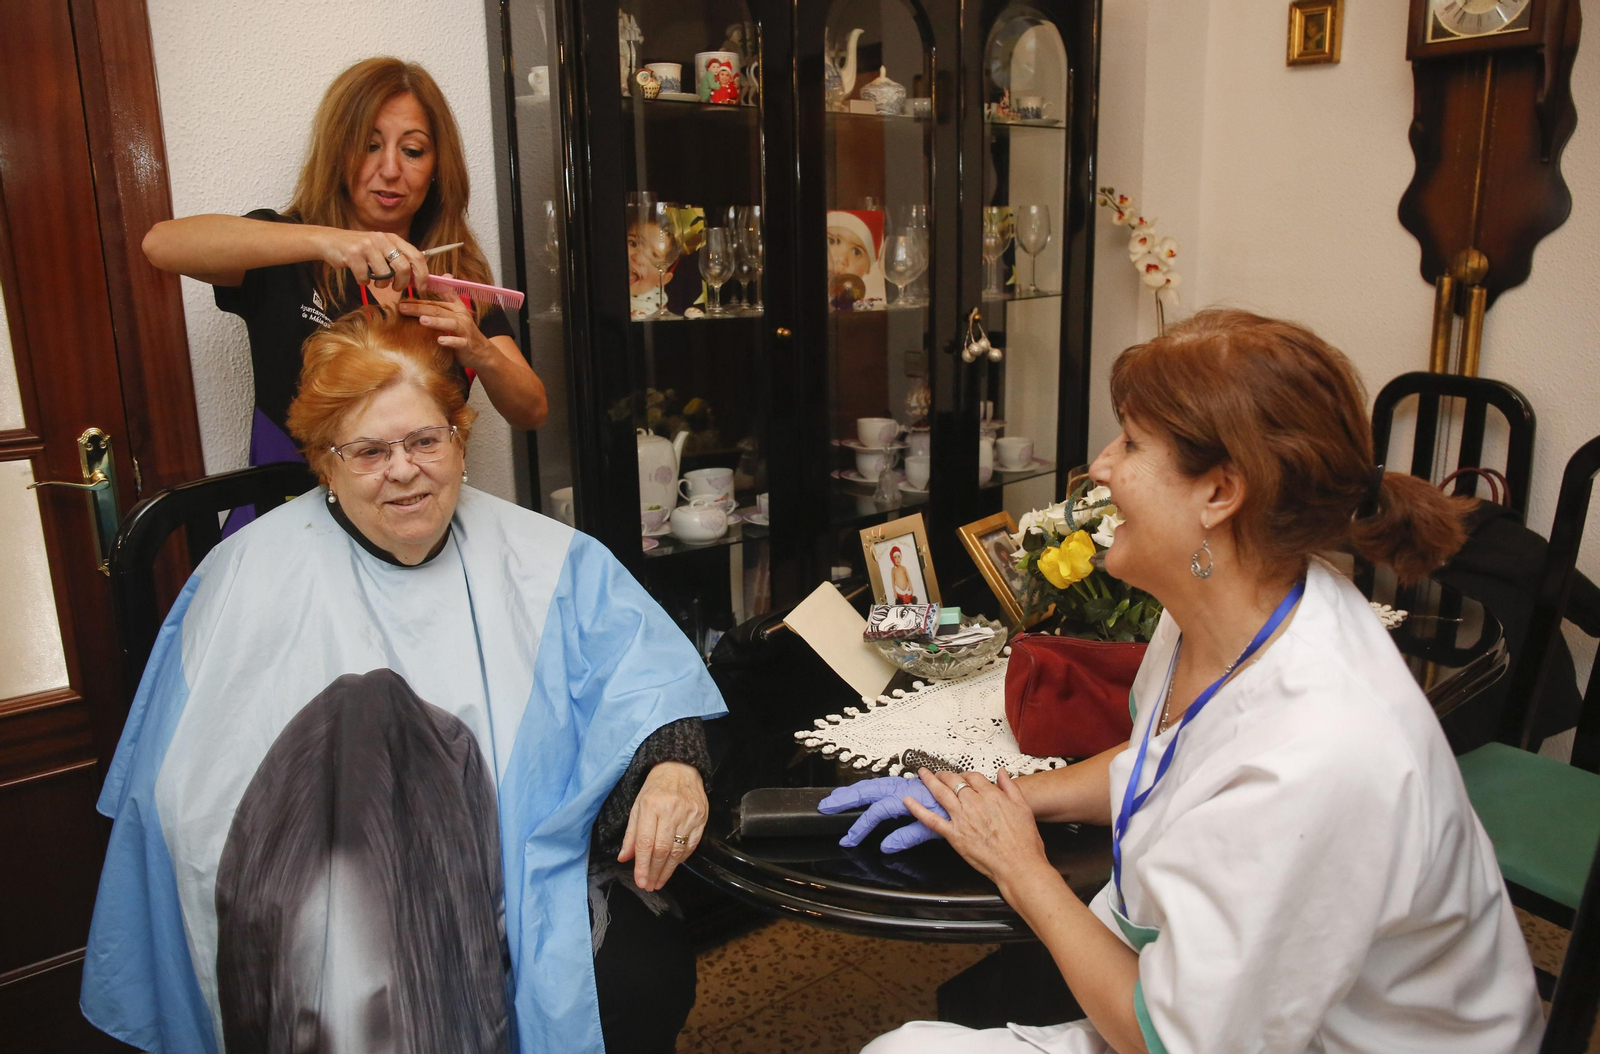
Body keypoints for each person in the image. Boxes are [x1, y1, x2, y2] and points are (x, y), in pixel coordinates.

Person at [830, 310, 1544, 1053]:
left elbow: (1171, 1041)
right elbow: (1165, 761)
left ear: (1221, 492)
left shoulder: (1319, 752)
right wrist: (994, 799)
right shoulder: (1225, 607)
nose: (1101, 466)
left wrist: (1020, 867)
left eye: (1133, 443)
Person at [82, 305, 721, 1054]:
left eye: (425, 439)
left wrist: (674, 764)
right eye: (368, 450)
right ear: (325, 460)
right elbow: (177, 798)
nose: (404, 470)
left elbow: (648, 685)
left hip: (518, 880)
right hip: (320, 908)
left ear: (459, 439)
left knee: (644, 978)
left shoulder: (548, 560)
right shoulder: (245, 575)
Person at [142, 56, 547, 530]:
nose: (390, 170)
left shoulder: (452, 278)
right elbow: (161, 245)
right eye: (369, 146)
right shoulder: (285, 255)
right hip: (290, 524)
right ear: (338, 153)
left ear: (438, 166)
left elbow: (532, 410)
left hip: (409, 528)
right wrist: (327, 240)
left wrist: (481, 348)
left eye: (413, 151)